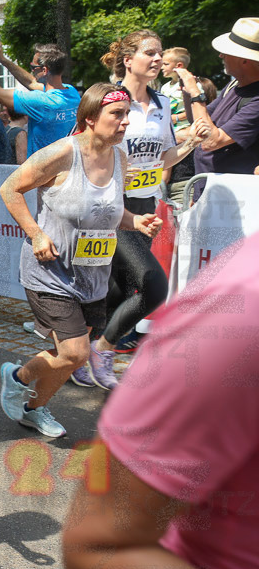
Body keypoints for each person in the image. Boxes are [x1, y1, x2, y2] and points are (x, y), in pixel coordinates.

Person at [62, 230, 259, 569]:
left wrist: (135, 215)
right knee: (138, 294)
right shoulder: (243, 313)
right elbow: (97, 547)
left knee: (143, 289)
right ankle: (45, 373)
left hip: (123, 234)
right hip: (74, 253)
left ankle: (97, 348)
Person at [0, 84, 161, 438]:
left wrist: (136, 221)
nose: (125, 122)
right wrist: (36, 234)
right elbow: (9, 188)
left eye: (127, 114)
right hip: (50, 270)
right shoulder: (62, 154)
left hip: (92, 275)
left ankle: (29, 401)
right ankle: (20, 384)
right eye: (117, 114)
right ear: (89, 118)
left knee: (73, 354)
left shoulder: (120, 158)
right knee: (74, 353)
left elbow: (109, 213)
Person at [89, 30, 199, 380]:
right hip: (112, 207)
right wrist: (117, 167)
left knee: (120, 288)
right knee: (153, 286)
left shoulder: (164, 104)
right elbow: (87, 147)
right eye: (149, 53)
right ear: (128, 60)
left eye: (160, 53)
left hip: (147, 206)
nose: (157, 60)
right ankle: (101, 350)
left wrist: (190, 144)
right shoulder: (108, 98)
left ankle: (84, 358)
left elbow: (163, 156)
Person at [177, 17, 259, 182]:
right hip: (209, 191)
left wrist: (195, 92)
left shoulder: (256, 100)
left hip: (233, 197)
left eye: (227, 52)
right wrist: (188, 93)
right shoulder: (233, 86)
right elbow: (199, 119)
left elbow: (211, 141)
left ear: (244, 59)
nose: (221, 55)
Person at [0, 36, 80, 157]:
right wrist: (2, 58)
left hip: (43, 171)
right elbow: (31, 83)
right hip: (65, 166)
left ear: (45, 70)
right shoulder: (72, 93)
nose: (32, 71)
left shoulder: (41, 101)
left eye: (33, 67)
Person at [160, 46, 192, 132]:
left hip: (185, 130)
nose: (161, 67)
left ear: (179, 66)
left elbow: (198, 109)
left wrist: (177, 118)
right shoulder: (165, 87)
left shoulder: (191, 84)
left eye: (166, 64)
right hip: (167, 131)